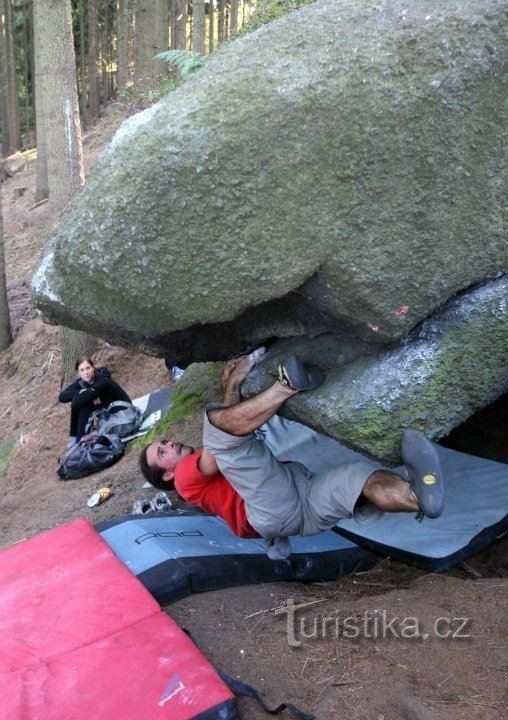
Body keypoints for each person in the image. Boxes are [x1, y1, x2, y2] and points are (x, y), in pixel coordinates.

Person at [139, 354, 444, 559]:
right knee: (214, 428)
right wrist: (229, 388)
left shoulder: (209, 465)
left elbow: (230, 437)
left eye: (164, 441)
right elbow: (222, 446)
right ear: (166, 474)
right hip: (266, 508)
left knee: (361, 478)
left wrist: (231, 387)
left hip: (301, 508)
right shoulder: (183, 480)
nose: (171, 445)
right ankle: (288, 385)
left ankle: (417, 497)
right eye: (162, 453)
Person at [59, 356, 131, 447]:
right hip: (107, 408)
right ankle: (76, 437)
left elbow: (75, 403)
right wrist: (79, 391)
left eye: (88, 368)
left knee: (83, 405)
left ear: (93, 367)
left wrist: (82, 395)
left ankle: (79, 441)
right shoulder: (82, 382)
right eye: (82, 370)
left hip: (121, 411)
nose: (86, 372)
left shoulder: (102, 379)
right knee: (82, 404)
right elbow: (62, 397)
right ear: (78, 373)